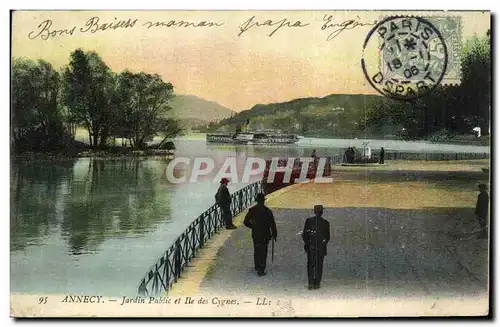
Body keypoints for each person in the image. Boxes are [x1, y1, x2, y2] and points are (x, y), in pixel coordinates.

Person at [243, 193, 277, 276]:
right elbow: (272, 224)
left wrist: (253, 227)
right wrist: (274, 234)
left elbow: (245, 222)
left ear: (257, 201)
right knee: (264, 251)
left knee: (257, 249)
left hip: (256, 234)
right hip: (265, 234)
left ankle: (257, 265)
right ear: (263, 201)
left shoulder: (252, 210)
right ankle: (261, 269)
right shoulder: (268, 211)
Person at [302, 205, 330, 290]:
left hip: (311, 247)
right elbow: (327, 237)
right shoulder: (325, 223)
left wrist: (307, 244)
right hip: (320, 248)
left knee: (311, 265)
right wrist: (322, 245)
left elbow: (304, 235)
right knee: (319, 265)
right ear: (322, 212)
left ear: (314, 211)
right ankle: (317, 283)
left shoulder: (309, 221)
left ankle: (311, 283)